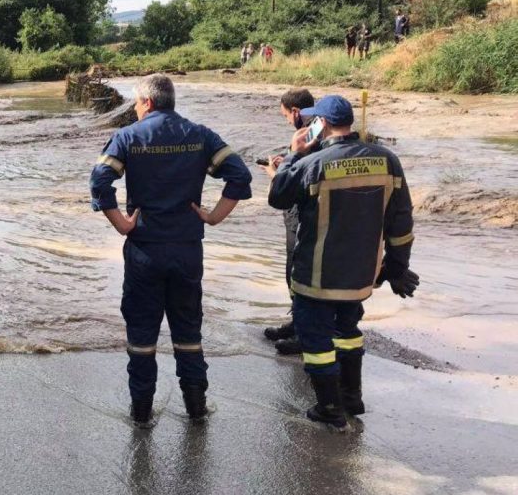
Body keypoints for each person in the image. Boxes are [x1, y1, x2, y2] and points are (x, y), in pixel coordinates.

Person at [90, 74, 253, 427]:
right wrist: (213, 217)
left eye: (136, 102)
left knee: (142, 334)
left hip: (144, 251)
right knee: (188, 331)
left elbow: (100, 180)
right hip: (187, 250)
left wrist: (121, 223)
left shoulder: (128, 137)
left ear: (147, 102)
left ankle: (142, 412)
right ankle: (196, 407)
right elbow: (239, 176)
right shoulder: (200, 134)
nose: (134, 108)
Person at [269, 95, 418, 428]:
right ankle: (352, 397)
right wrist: (396, 268)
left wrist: (295, 153)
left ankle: (331, 409)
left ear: (320, 124)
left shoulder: (313, 163)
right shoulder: (388, 160)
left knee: (317, 341)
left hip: (317, 276)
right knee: (348, 332)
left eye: (313, 121)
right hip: (361, 276)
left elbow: (278, 197)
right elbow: (401, 223)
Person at [260, 88, 316, 355]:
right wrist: (288, 160)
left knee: (296, 270)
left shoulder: (306, 133)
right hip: (306, 211)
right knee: (296, 271)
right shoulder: (316, 129)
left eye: (285, 115)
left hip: (301, 213)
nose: (286, 120)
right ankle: (298, 324)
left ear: (295, 112)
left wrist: (275, 173)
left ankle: (304, 333)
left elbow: (291, 184)